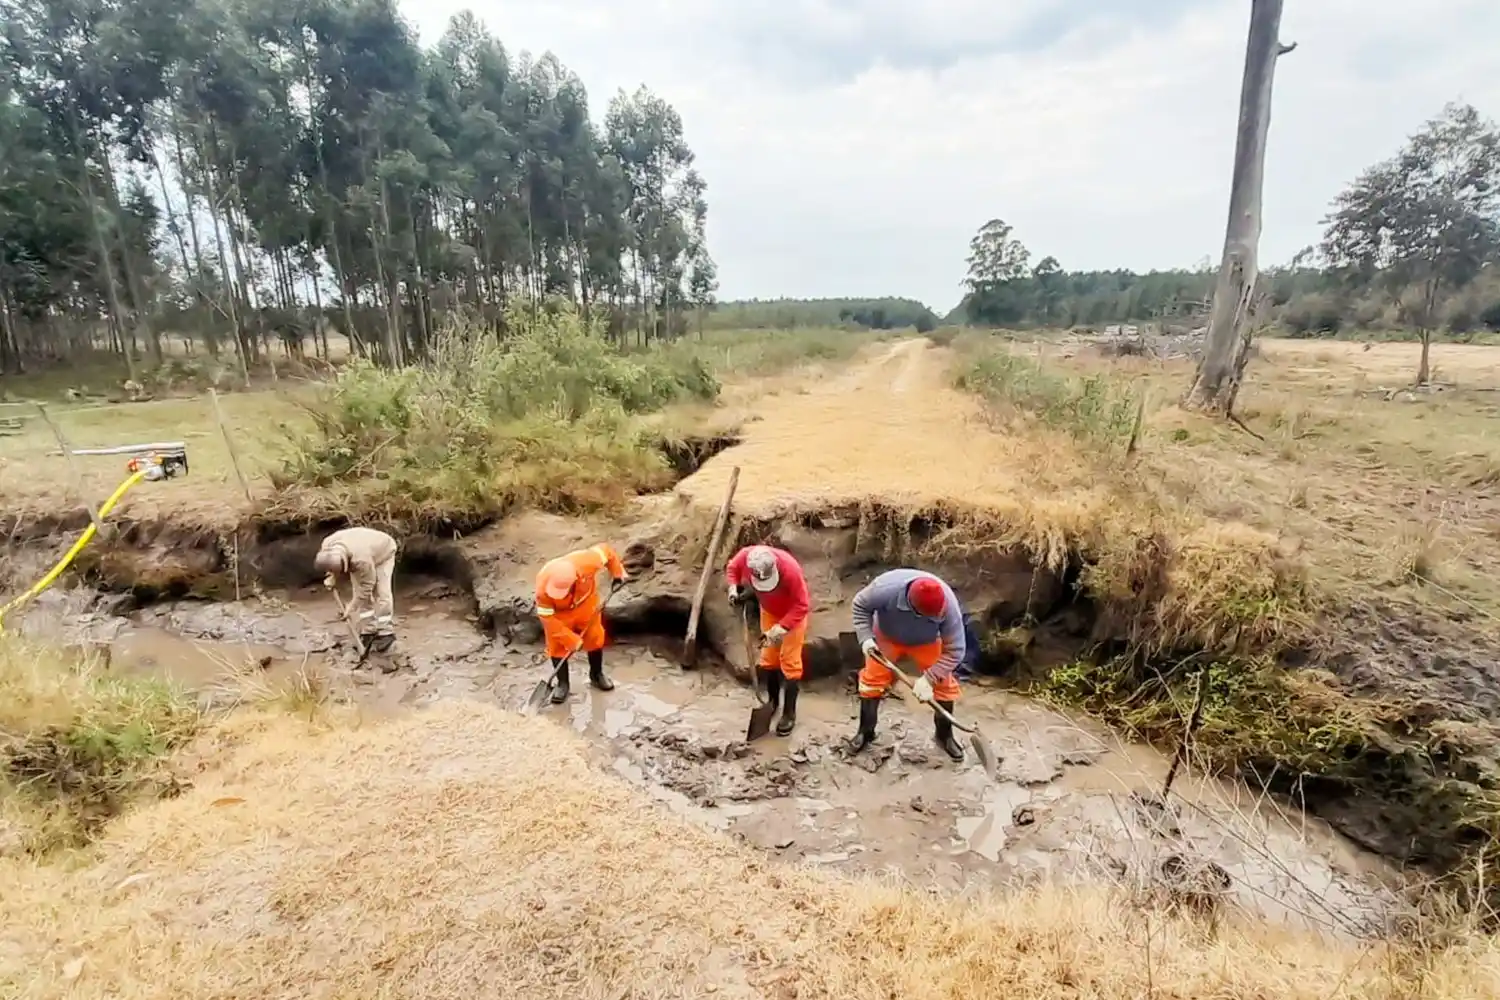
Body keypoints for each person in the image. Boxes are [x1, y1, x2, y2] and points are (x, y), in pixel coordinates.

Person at [849, 568, 967, 762]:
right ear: (912, 608)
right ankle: (866, 732)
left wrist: (929, 679)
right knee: (871, 682)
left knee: (944, 687)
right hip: (886, 636)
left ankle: (945, 736)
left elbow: (956, 650)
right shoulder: (884, 589)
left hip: (926, 642)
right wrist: (866, 638)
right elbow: (860, 605)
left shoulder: (949, 606)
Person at [725, 543, 811, 736]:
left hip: (792, 615)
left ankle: (789, 713)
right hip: (769, 610)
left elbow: (802, 605)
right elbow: (732, 568)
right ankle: (773, 702)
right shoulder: (746, 557)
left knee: (790, 662)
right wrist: (733, 587)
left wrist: (781, 628)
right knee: (769, 658)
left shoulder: (791, 570)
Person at [535, 543, 629, 704]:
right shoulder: (542, 590)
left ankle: (596, 674)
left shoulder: (588, 561)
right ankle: (563, 683)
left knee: (594, 637)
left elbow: (608, 552)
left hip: (585, 605)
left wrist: (618, 573)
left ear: (575, 580)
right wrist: (570, 639)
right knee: (557, 645)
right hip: (559, 615)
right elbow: (547, 619)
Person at [315, 526, 399, 650]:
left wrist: (350, 607)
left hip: (383, 551)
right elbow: (331, 566)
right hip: (362, 547)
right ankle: (368, 630)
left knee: (381, 591)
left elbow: (367, 587)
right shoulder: (327, 545)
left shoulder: (360, 560)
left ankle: (386, 631)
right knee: (358, 591)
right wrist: (332, 577)